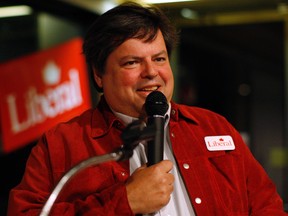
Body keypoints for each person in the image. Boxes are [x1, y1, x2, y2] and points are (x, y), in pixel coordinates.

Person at [7, 2, 287, 216]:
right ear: (98, 75)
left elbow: (267, 208)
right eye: (132, 62)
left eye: (160, 58)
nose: (151, 72)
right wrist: (124, 202)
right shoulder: (61, 143)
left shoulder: (214, 128)